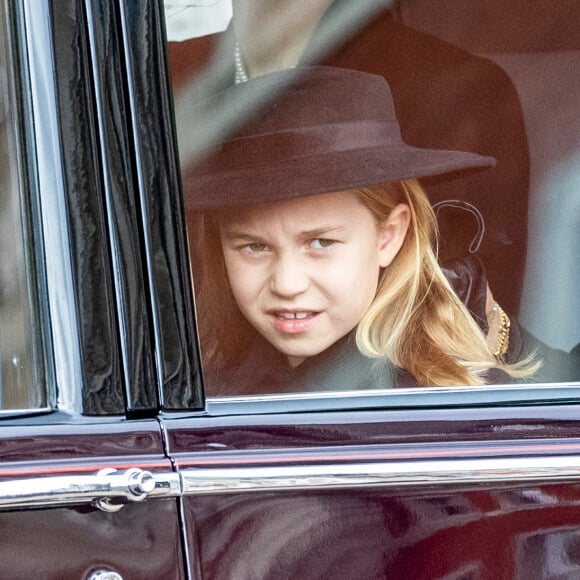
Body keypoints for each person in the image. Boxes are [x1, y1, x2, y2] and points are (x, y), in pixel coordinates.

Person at [183, 67, 576, 396]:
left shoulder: (431, 400)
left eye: (321, 242)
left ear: (388, 236)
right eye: (253, 246)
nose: (286, 283)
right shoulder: (205, 364)